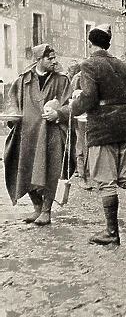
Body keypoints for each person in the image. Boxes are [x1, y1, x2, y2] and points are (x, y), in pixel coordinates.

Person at [70, 26, 126, 245]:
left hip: (102, 129)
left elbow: (88, 99)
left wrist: (73, 106)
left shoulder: (88, 64)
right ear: (107, 44)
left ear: (90, 44)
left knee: (106, 181)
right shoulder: (125, 67)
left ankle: (111, 233)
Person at [4, 44, 72, 225]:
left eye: (54, 57)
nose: (54, 61)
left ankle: (47, 210)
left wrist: (59, 114)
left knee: (50, 170)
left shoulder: (62, 80)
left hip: (51, 134)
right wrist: (13, 116)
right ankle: (37, 207)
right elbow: (12, 102)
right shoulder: (23, 80)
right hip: (27, 134)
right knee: (24, 168)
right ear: (38, 60)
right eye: (49, 58)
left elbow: (71, 104)